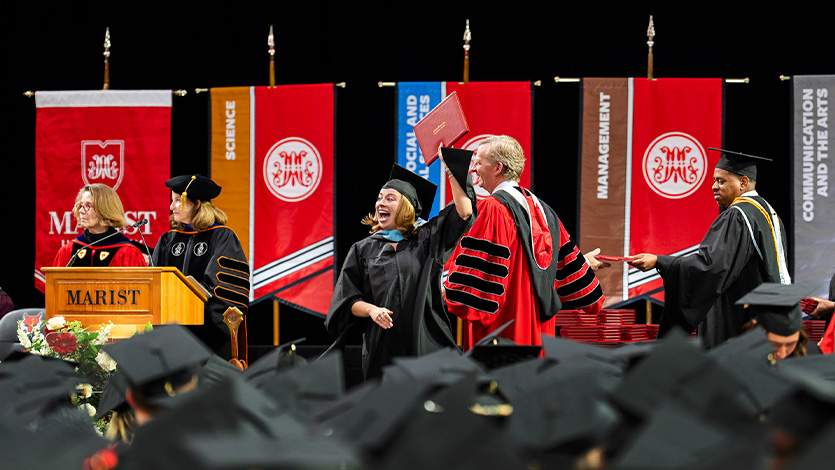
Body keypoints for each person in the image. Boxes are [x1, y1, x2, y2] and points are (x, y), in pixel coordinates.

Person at [325, 146, 476, 380]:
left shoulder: (428, 239)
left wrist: (449, 167)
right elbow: (347, 300)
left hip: (427, 345)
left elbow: (464, 212)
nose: (380, 203)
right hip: (382, 350)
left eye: (390, 198)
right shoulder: (363, 249)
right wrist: (372, 310)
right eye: (379, 198)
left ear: (406, 207)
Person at [442, 135, 604, 349]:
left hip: (503, 329)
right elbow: (559, 264)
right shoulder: (545, 211)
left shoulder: (493, 209)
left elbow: (480, 270)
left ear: (498, 167)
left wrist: (444, 289)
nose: (473, 170)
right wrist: (583, 263)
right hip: (539, 330)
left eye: (478, 163)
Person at [629, 148, 791, 348]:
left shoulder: (737, 216)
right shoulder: (767, 212)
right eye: (714, 180)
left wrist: (660, 261)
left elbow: (711, 266)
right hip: (765, 316)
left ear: (743, 182)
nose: (714, 186)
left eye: (721, 181)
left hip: (738, 321)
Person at [151, 174, 250, 359]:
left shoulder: (222, 237)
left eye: (178, 201)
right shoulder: (168, 240)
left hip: (209, 338)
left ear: (197, 203)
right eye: (172, 201)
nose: (172, 207)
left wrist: (192, 300)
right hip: (170, 336)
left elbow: (228, 290)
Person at [52, 184, 147, 268]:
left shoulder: (128, 254)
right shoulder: (68, 251)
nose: (81, 211)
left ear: (105, 209)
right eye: (81, 205)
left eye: (88, 206)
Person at [736, 282, 814, 359]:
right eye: (775, 345)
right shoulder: (735, 360)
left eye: (790, 344)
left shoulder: (810, 356)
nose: (782, 354)